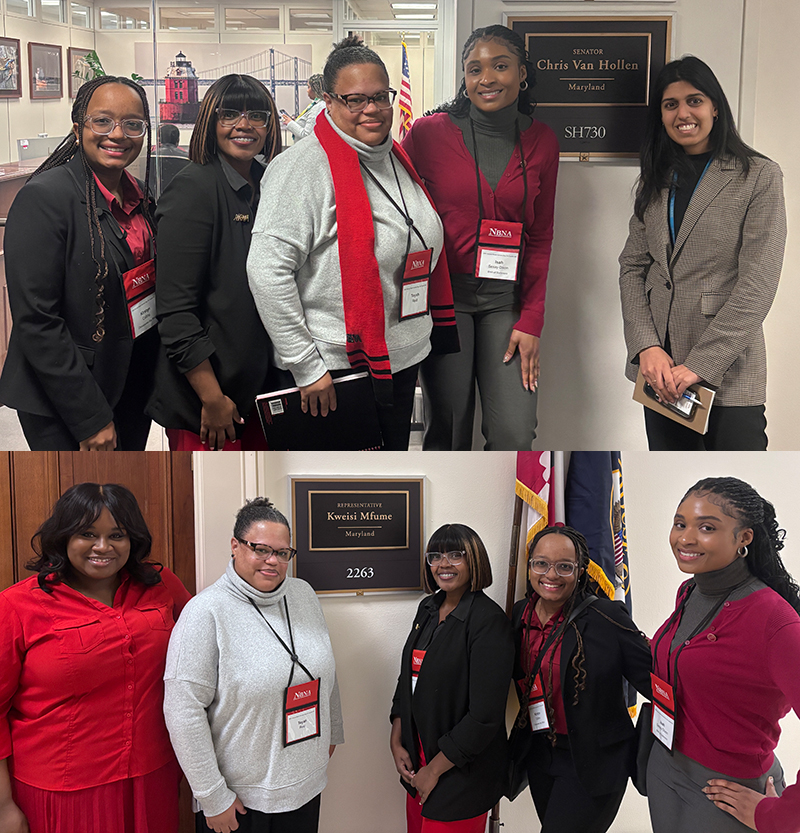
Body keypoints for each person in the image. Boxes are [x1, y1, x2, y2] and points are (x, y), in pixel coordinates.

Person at [248, 35, 459, 451]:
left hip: (403, 354)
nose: (373, 109)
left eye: (380, 96)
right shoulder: (302, 168)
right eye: (355, 99)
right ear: (328, 101)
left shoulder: (394, 155)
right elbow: (266, 270)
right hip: (337, 371)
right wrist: (307, 368)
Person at [0, 482, 191, 833]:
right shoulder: (16, 606)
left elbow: (206, 652)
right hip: (62, 792)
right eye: (87, 533)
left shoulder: (161, 584)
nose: (103, 547)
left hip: (153, 778)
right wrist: (2, 808)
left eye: (117, 535)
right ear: (64, 538)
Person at [401, 25, 559, 450]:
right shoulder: (427, 134)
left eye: (500, 66)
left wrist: (533, 320)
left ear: (522, 73)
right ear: (465, 79)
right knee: (448, 431)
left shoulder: (543, 141)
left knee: (514, 431)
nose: (486, 78)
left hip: (506, 303)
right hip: (443, 302)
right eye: (475, 69)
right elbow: (396, 214)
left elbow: (541, 237)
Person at [619, 56, 786, 450]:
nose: (683, 114)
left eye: (694, 100)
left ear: (715, 106)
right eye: (670, 104)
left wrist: (698, 365)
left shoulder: (759, 175)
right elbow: (633, 267)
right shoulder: (656, 177)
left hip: (728, 371)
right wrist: (647, 346)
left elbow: (758, 284)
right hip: (661, 373)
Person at [164, 497, 343, 833]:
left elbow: (325, 670)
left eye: (282, 553)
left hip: (306, 788)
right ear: (235, 546)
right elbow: (182, 712)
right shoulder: (205, 613)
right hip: (239, 803)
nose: (272, 561)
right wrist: (212, 797)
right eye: (260, 549)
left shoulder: (303, 594)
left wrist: (331, 731)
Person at [0, 76, 158, 450]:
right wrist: (90, 419)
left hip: (129, 384)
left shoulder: (139, 196)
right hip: (68, 399)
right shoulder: (45, 198)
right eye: (102, 121)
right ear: (77, 129)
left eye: (133, 124)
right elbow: (38, 321)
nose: (117, 134)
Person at [648, 477, 800, 833]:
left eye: (706, 527)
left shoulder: (775, 622)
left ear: (744, 537)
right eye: (680, 523)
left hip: (725, 792)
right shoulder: (691, 590)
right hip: (665, 768)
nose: (685, 538)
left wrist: (778, 816)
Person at [147, 74, 281, 450]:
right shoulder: (193, 190)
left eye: (257, 114)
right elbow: (175, 312)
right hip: (210, 401)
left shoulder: (269, 182)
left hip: (260, 390)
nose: (244, 125)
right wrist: (212, 398)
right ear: (210, 121)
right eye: (229, 114)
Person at [510, 526, 651, 833]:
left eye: (564, 566)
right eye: (541, 563)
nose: (551, 574)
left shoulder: (606, 618)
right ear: (530, 565)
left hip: (594, 762)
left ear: (581, 570)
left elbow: (655, 683)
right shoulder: (519, 616)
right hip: (541, 756)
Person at [390, 524, 513, 832]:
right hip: (419, 762)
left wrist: (434, 770)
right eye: (435, 556)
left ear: (475, 560)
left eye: (455, 555)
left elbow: (484, 717)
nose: (443, 564)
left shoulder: (489, 622)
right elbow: (408, 676)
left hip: (459, 774)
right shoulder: (428, 609)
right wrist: (397, 737)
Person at [281, 74, 326, 141]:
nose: (307, 91)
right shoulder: (317, 105)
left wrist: (290, 123)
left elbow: (307, 135)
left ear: (315, 88)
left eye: (308, 87)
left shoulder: (319, 107)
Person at [149, 123, 190, 194]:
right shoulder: (188, 158)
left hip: (153, 198)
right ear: (178, 140)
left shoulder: (148, 158)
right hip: (178, 198)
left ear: (159, 139)